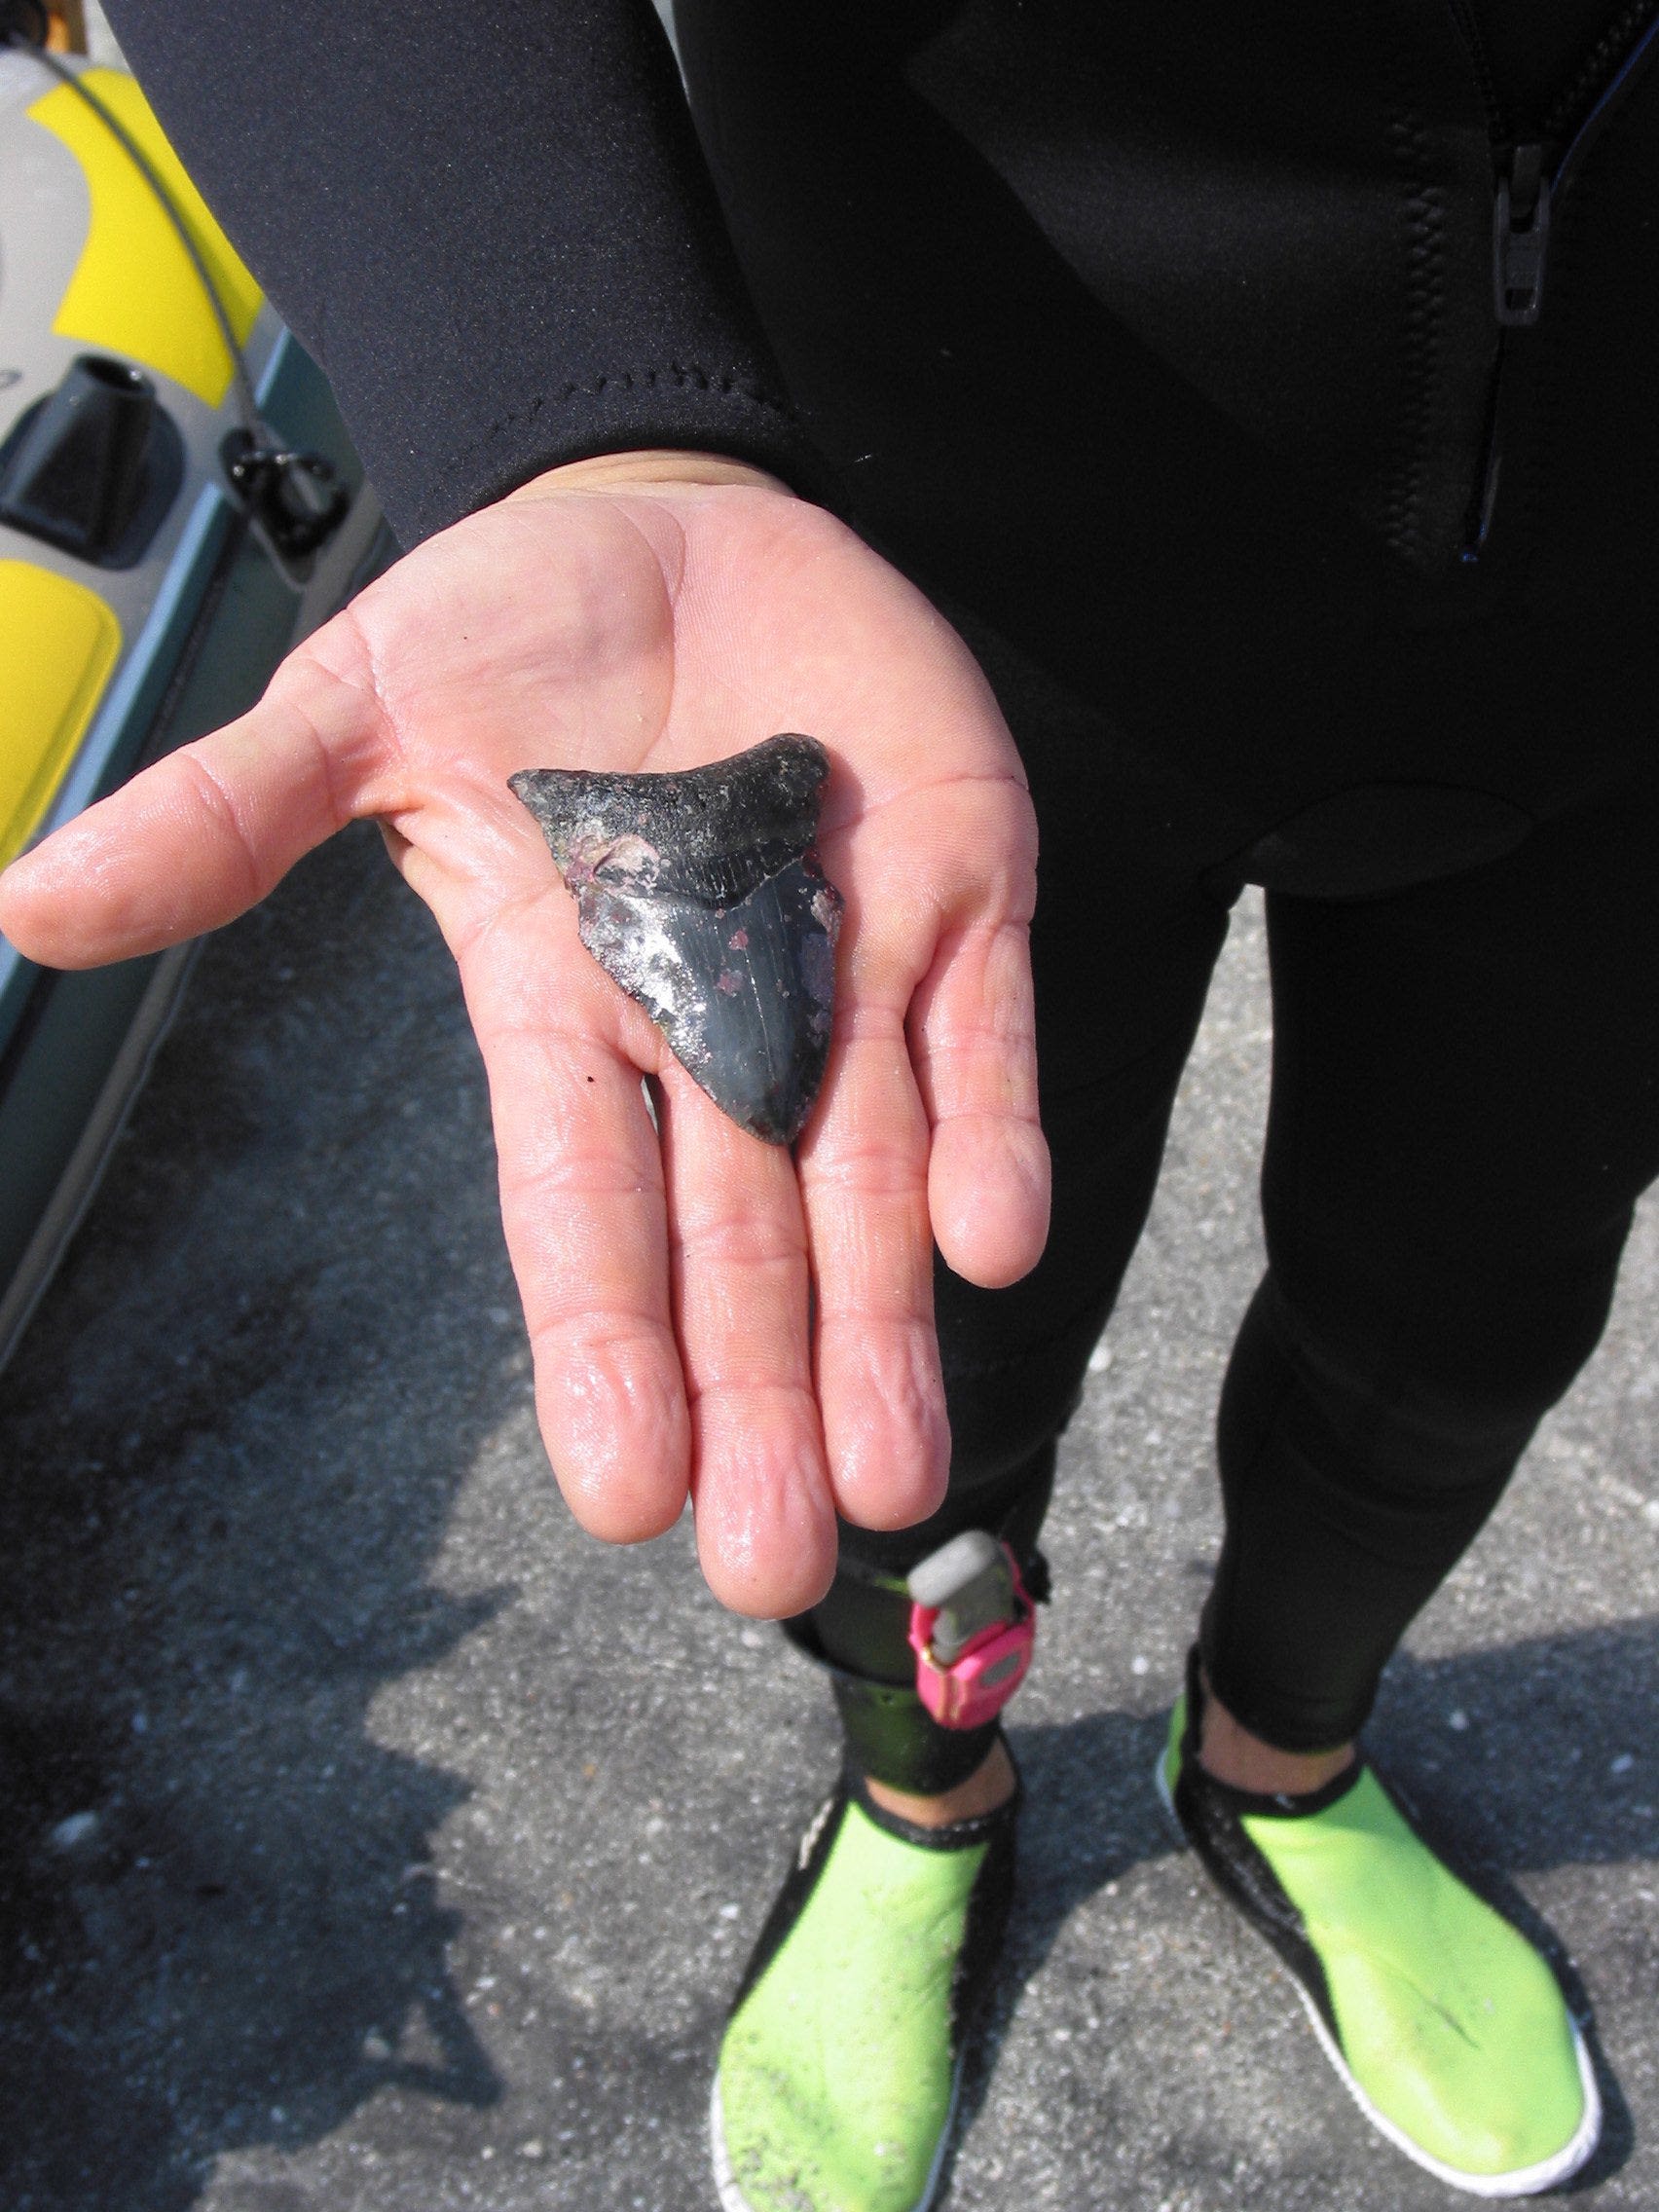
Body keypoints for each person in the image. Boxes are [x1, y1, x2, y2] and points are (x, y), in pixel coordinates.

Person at [4, 0, 1657, 2202]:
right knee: (916, 1385)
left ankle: (1280, 1757)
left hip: (1618, 644)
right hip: (925, 594)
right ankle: (923, 1790)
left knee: (1465, 1314)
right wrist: (586, 430)